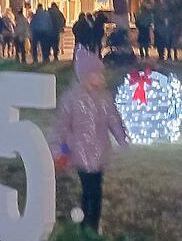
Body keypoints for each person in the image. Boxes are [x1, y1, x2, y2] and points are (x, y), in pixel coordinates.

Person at [50, 47, 129, 232]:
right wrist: (59, 148)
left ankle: (92, 224)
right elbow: (62, 124)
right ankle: (87, 225)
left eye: (101, 73)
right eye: (96, 73)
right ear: (86, 75)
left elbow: (113, 119)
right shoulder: (72, 98)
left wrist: (121, 137)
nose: (101, 77)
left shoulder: (104, 98)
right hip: (80, 152)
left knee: (96, 189)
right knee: (90, 189)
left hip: (100, 151)